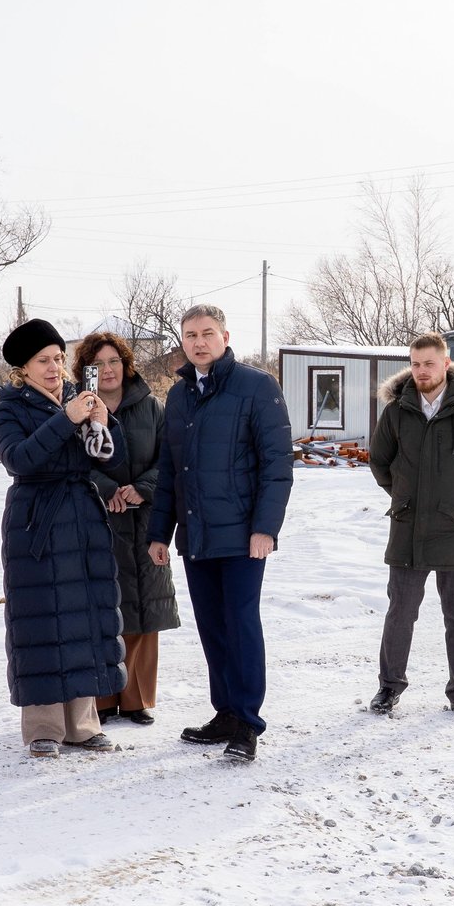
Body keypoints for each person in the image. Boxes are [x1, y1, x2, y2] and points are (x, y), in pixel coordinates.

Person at [147, 304, 293, 763]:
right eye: (190, 335)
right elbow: (170, 470)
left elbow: (277, 466)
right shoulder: (179, 396)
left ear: (225, 337)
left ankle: (247, 723)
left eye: (207, 333)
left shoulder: (256, 387)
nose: (199, 342)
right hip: (198, 535)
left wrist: (265, 528)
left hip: (245, 537)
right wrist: (160, 533)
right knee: (212, 628)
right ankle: (225, 712)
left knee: (241, 623)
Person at [0, 318, 127, 758]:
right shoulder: (8, 406)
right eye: (43, 361)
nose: (54, 368)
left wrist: (102, 424)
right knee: (41, 620)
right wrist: (66, 421)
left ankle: (84, 725)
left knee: (83, 616)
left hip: (83, 516)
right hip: (37, 520)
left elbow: (110, 461)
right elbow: (20, 459)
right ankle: (44, 727)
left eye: (58, 358)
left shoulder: (77, 397)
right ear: (23, 368)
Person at [367, 333, 454, 722]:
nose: (421, 371)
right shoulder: (397, 412)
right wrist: (401, 497)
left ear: (446, 364)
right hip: (408, 528)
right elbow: (379, 461)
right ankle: (389, 687)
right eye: (415, 364)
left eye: (428, 364)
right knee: (400, 612)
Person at [74, 331, 180, 727]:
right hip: (99, 518)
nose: (108, 370)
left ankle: (136, 699)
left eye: (114, 361)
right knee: (104, 607)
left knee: (143, 606)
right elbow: (75, 462)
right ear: (87, 370)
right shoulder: (78, 409)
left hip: (146, 516)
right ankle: (102, 696)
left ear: (126, 364)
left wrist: (142, 489)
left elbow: (170, 457)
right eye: (98, 364)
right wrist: (106, 490)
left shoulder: (151, 406)